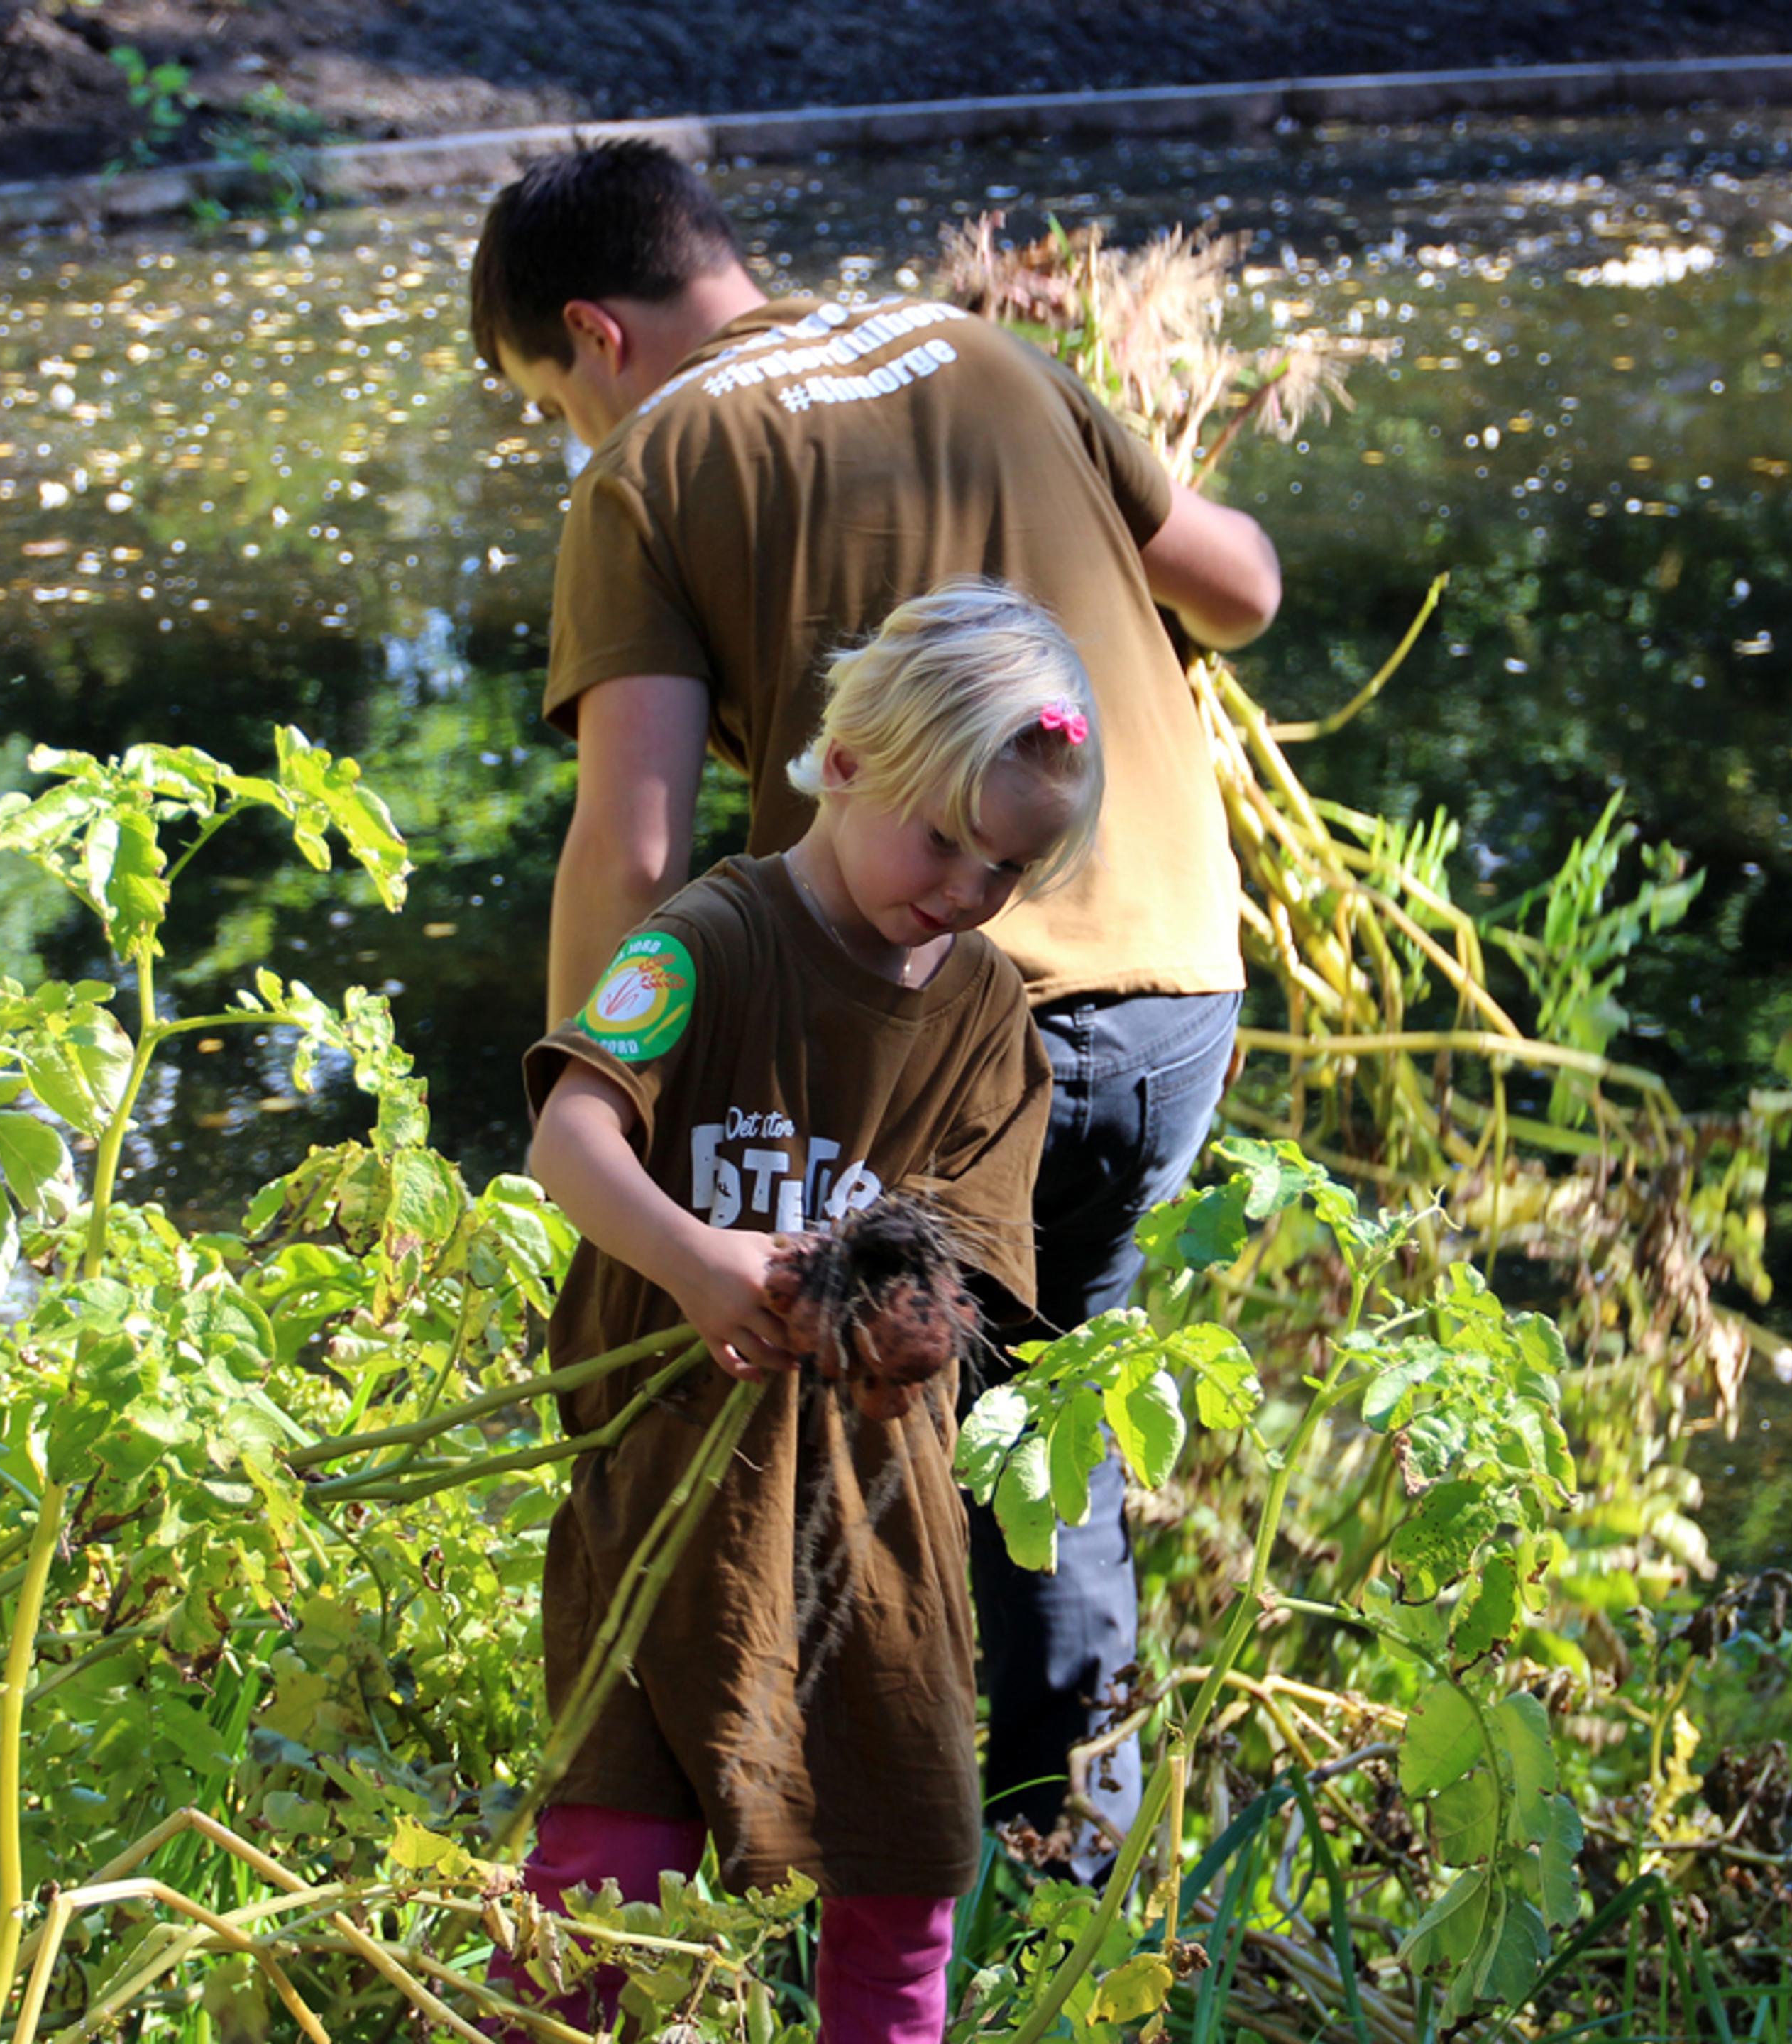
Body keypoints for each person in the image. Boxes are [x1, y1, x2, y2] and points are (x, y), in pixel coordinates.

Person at [471, 137, 1282, 1875]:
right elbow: (1243, 587)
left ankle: (814, 1867)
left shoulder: (652, 464)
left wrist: (606, 1131)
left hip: (918, 1022)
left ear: (595, 336)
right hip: (1174, 986)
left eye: (551, 403)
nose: (571, 434)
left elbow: (635, 843)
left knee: (846, 1447)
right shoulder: (983, 349)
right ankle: (1067, 1882)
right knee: (1042, 1425)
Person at [510, 583, 1101, 2043]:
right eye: (943, 839)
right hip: (665, 1501)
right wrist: (695, 1260)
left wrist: (898, 1322)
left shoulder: (987, 1015)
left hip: (870, 1519)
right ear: (840, 764)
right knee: (605, 1882)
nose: (968, 889)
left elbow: (967, 1265)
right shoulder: (703, 944)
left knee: (898, 1873)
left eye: (1009, 866)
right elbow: (570, 1139)